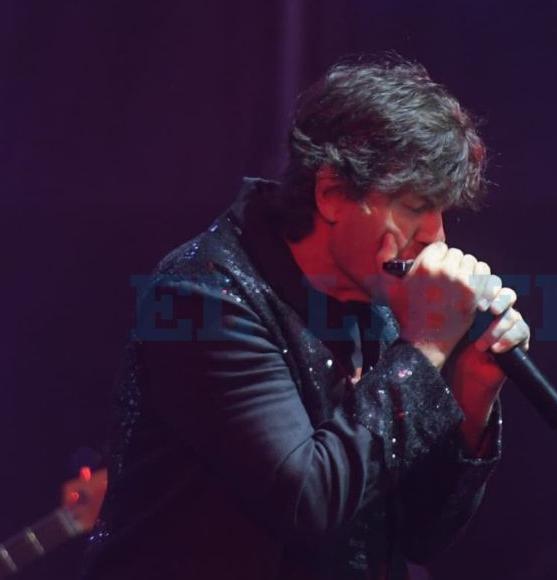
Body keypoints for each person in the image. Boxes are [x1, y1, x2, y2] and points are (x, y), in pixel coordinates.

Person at [82, 55, 530, 580]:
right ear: (332, 193)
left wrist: (471, 395)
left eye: (441, 211)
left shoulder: (378, 300)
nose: (436, 236)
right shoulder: (202, 296)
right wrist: (427, 343)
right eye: (414, 206)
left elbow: (420, 535)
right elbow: (307, 502)